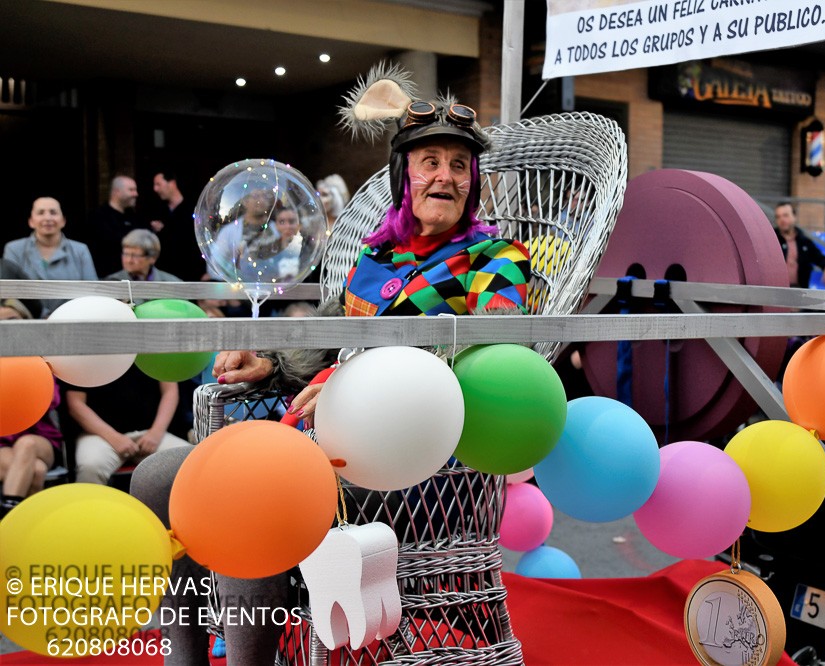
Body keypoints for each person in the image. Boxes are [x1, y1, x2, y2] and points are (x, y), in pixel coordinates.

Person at [133, 65, 531, 665]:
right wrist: (266, 361)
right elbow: (325, 334)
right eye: (430, 161)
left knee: (247, 497)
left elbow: (489, 347)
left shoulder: (494, 256)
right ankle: (183, 656)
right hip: (318, 436)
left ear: (471, 183)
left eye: (458, 164)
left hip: (408, 462)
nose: (444, 176)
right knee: (159, 476)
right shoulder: (376, 254)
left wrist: (363, 389)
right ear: (405, 175)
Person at [66, 364, 192, 485]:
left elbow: (170, 392)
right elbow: (76, 403)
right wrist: (114, 437)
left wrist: (155, 433)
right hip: (99, 435)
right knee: (90, 466)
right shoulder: (87, 355)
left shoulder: (153, 348)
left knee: (189, 460)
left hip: (150, 433)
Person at [0, 303, 63, 518]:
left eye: (12, 322)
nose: (6, 328)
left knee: (26, 445)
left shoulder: (39, 358)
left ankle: (6, 513)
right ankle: (23, 525)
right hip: (3, 439)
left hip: (39, 437)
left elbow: (52, 400)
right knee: (36, 471)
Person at [3, 197, 98, 317]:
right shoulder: (13, 249)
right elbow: (9, 292)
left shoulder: (80, 250)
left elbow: (93, 291)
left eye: (53, 212)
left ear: (63, 220)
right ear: (31, 221)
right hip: (27, 320)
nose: (47, 218)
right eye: (41, 212)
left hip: (71, 319)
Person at [150, 169, 204, 281]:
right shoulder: (157, 210)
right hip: (164, 273)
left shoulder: (192, 208)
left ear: (172, 183)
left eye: (158, 184)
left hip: (190, 272)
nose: (155, 189)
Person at [88, 175, 146, 277]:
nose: (136, 194)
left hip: (137, 279)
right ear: (117, 192)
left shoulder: (135, 217)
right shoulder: (99, 217)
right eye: (131, 190)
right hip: (108, 279)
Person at [773, 202, 825, 288]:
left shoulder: (804, 241)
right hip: (776, 289)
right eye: (778, 217)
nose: (782, 219)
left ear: (794, 217)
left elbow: (820, 258)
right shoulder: (770, 239)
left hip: (800, 290)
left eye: (785, 215)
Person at [104, 228, 182, 286]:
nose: (129, 260)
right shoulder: (111, 283)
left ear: (152, 258)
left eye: (135, 256)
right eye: (126, 254)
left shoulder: (172, 284)